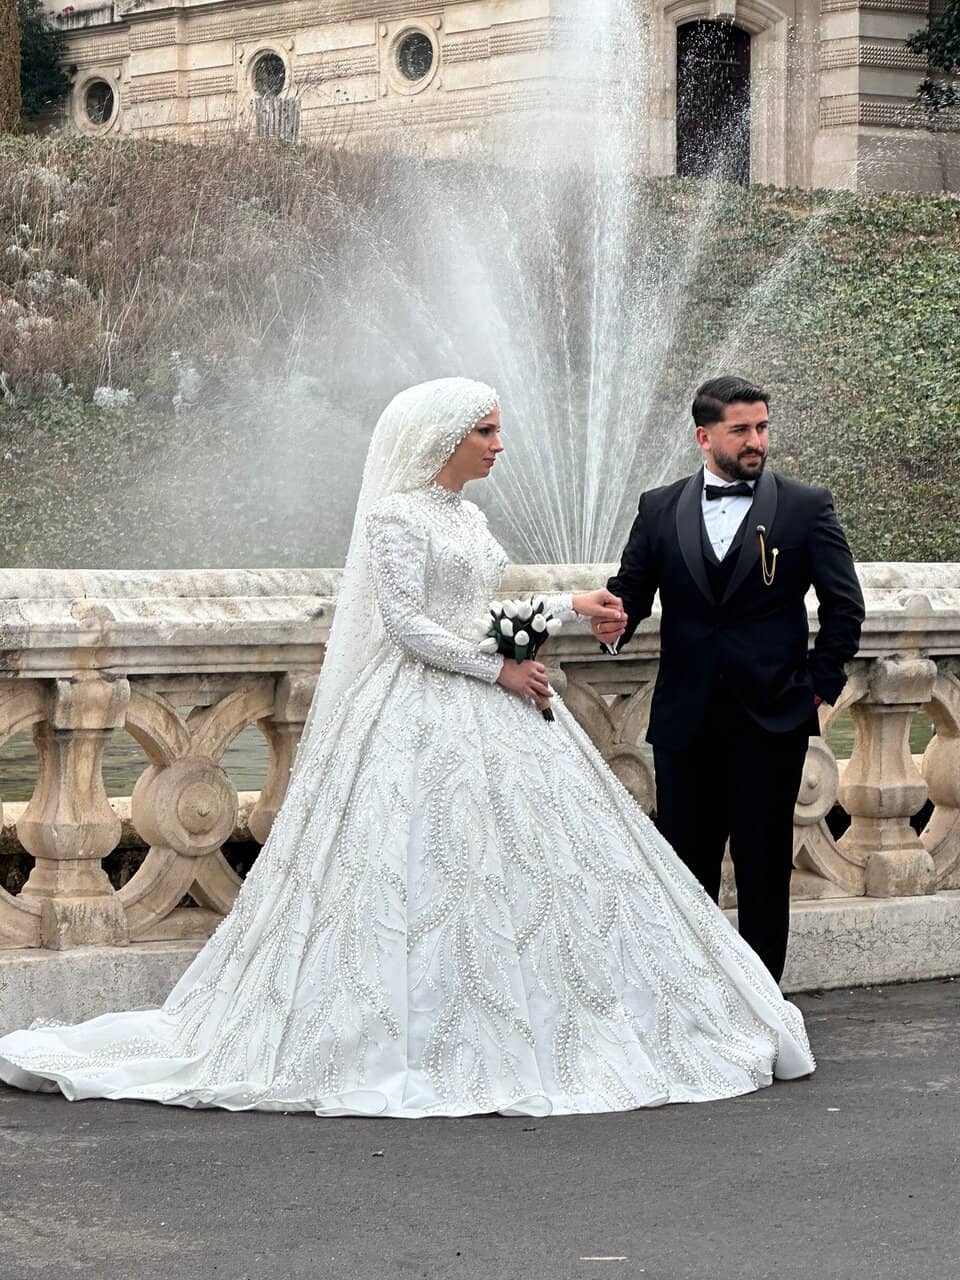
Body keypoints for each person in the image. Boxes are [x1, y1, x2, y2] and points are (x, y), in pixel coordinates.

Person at [0, 377, 814, 1116]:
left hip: (498, 711)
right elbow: (408, 628)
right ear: (445, 439)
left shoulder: (467, 515)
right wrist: (499, 672)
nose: (500, 445)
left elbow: (479, 607)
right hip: (420, 713)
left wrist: (566, 605)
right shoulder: (394, 516)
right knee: (415, 874)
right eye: (487, 432)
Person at [595, 375, 865, 983]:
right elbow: (628, 599)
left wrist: (816, 689)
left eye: (762, 428)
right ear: (704, 435)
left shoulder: (805, 506)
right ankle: (694, 1010)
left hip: (772, 720)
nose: (756, 441)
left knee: (765, 871)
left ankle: (764, 1012)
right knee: (684, 873)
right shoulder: (658, 507)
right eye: (741, 430)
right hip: (685, 722)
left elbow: (844, 609)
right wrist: (605, 622)